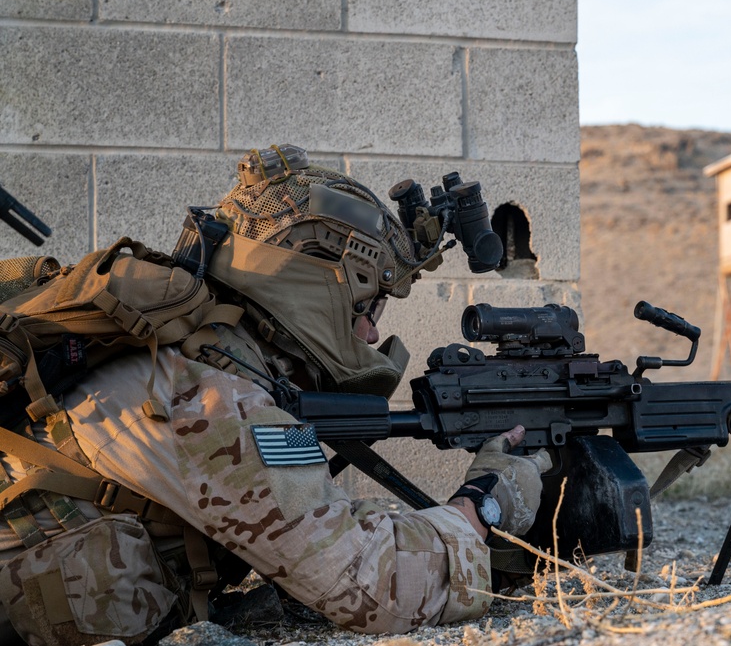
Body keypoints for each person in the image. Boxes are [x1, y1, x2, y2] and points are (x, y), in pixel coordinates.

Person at [0, 146, 552, 645]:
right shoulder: (205, 397)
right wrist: (483, 503)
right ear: (315, 291)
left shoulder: (187, 358)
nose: (369, 337)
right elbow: (374, 589)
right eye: (367, 308)